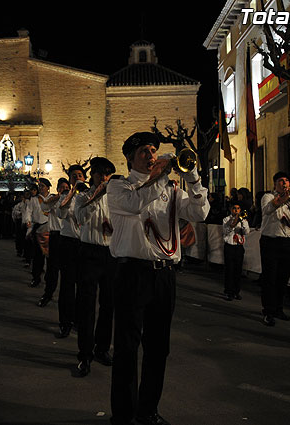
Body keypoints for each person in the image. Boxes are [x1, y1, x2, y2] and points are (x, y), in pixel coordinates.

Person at [107, 132, 209, 425]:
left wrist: (192, 178)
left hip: (164, 275)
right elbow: (136, 204)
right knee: (127, 347)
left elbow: (200, 212)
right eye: (144, 152)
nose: (151, 155)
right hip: (131, 274)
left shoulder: (171, 190)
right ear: (129, 158)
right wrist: (161, 177)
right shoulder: (119, 186)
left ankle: (148, 410)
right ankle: (124, 415)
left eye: (153, 150)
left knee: (158, 348)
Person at [73, 156, 116, 377]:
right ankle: (85, 354)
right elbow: (80, 218)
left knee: (108, 305)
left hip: (109, 253)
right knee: (86, 306)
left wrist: (114, 228)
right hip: (88, 252)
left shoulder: (115, 198)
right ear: (93, 176)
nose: (104, 178)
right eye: (100, 174)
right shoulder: (82, 197)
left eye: (107, 175)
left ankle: (102, 348)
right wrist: (97, 197)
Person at [259, 171, 290, 326]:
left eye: (286, 181)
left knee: (283, 278)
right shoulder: (268, 197)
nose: (284, 183)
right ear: (275, 183)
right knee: (269, 278)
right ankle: (268, 311)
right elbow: (267, 210)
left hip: (287, 243)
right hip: (270, 242)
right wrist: (281, 200)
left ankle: (278, 308)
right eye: (280, 180)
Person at [56, 163, 88, 338]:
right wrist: (71, 192)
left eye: (80, 175)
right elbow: (61, 214)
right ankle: (65, 322)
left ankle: (78, 320)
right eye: (74, 176)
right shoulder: (65, 196)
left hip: (84, 243)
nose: (77, 178)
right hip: (68, 242)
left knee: (83, 286)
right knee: (67, 285)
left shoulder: (90, 194)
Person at [37, 177, 69, 307]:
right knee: (52, 268)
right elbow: (44, 206)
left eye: (66, 188)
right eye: (62, 187)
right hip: (55, 236)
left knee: (67, 271)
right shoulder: (53, 200)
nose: (64, 190)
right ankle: (47, 294)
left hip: (68, 237)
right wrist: (57, 197)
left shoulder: (73, 200)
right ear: (57, 189)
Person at [222, 201, 249, 300]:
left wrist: (242, 223)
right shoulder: (226, 219)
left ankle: (236, 291)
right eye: (234, 208)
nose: (236, 210)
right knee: (229, 270)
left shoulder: (244, 221)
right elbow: (226, 231)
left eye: (238, 209)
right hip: (229, 246)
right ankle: (228, 291)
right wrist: (235, 221)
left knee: (238, 270)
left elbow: (246, 232)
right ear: (231, 209)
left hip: (239, 247)